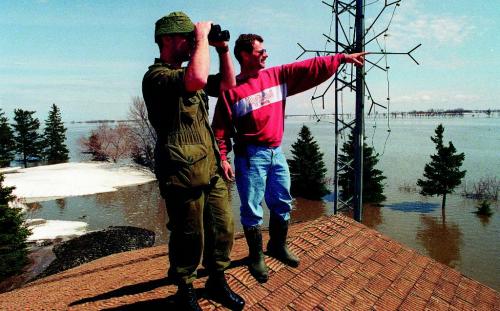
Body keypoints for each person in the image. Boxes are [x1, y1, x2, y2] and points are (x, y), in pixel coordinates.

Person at [212, 33, 366, 283]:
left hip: (276, 152)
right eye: (260, 51)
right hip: (250, 156)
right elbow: (219, 129)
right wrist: (223, 158)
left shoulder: (277, 76)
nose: (266, 54)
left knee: (282, 201)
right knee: (252, 209)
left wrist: (341, 59)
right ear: (244, 55)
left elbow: (309, 68)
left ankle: (277, 246)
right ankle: (256, 257)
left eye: (265, 50)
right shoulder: (231, 91)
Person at [142, 12, 244, 311]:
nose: (190, 44)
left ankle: (216, 280)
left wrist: (223, 50)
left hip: (210, 166)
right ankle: (185, 288)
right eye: (185, 38)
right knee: (189, 235)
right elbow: (196, 78)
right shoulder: (157, 78)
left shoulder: (188, 75)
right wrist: (201, 38)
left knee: (222, 227)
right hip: (181, 172)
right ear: (168, 39)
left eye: (192, 38)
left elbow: (227, 86)